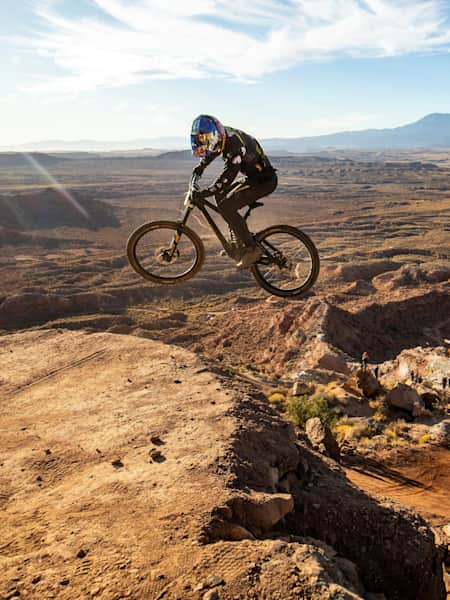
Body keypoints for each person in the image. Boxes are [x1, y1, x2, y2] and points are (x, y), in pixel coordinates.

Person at [190, 115, 277, 269]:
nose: (205, 141)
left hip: (263, 181)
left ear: (215, 133)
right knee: (221, 198)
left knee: (226, 207)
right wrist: (201, 167)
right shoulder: (224, 134)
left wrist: (206, 192)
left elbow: (228, 175)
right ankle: (238, 243)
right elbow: (215, 148)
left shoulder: (235, 145)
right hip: (255, 178)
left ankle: (251, 249)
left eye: (206, 138)